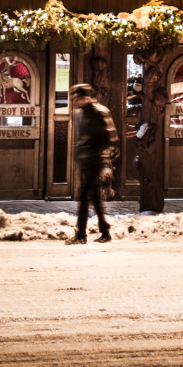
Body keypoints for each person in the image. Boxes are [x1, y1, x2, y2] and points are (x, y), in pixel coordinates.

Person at [65, 83, 119, 245]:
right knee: (94, 198)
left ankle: (81, 235)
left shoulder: (97, 112)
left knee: (83, 197)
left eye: (77, 98)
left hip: (95, 159)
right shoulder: (84, 112)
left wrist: (92, 150)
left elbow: (109, 137)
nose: (75, 101)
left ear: (85, 98)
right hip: (88, 159)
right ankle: (105, 231)